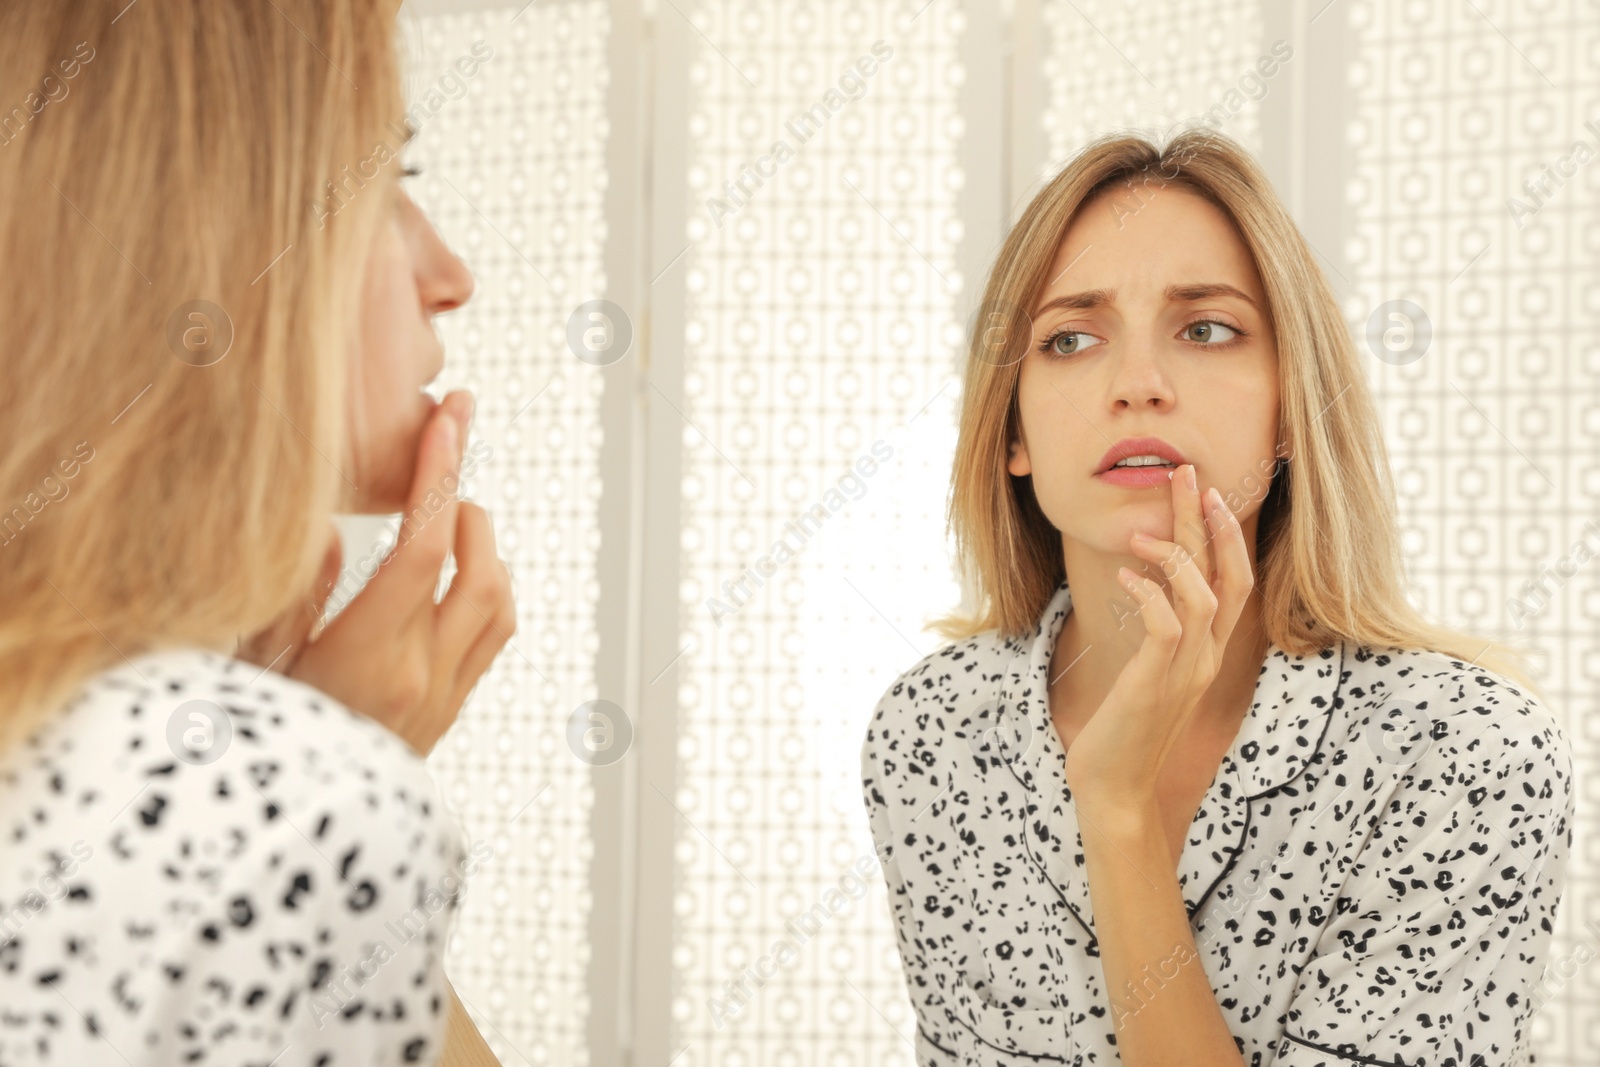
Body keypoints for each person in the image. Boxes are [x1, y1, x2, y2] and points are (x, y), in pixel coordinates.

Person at [860, 128, 1575, 1066]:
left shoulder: (1468, 751)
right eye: (1070, 339)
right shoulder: (934, 735)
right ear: (1012, 434)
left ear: (1290, 407)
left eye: (1205, 329)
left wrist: (1114, 807)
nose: (1138, 386)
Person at [0, 2, 514, 1064]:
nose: (452, 275)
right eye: (393, 187)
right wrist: (320, 784)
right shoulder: (293, 811)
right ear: (185, 236)